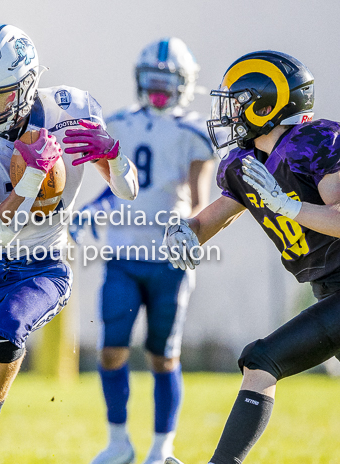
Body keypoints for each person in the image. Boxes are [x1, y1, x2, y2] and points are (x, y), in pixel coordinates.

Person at [0, 24, 139, 464]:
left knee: (9, 331)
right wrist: (34, 178)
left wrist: (115, 155)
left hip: (44, 264)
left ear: (27, 86)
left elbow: (127, 191)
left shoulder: (72, 109)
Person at [163, 50, 340, 464]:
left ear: (267, 105)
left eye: (237, 103)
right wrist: (183, 234)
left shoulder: (315, 143)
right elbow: (209, 221)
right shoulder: (245, 164)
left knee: (261, 360)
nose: (228, 114)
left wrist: (289, 206)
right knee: (262, 362)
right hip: (328, 289)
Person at [70, 38, 216, 464]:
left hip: (169, 261)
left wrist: (194, 235)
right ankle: (119, 443)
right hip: (124, 256)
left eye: (166, 83)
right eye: (152, 82)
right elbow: (112, 187)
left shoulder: (193, 131)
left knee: (163, 356)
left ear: (184, 85)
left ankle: (161, 448)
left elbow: (200, 200)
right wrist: (91, 211)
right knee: (111, 349)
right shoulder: (117, 122)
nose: (158, 91)